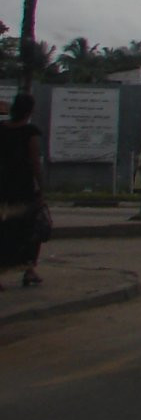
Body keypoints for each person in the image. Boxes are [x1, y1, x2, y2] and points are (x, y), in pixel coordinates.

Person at [0, 93, 47, 288]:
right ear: (29, 111)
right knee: (29, 229)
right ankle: (28, 270)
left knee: (3, 229)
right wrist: (42, 187)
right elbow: (35, 162)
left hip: (2, 188)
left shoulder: (1, 129)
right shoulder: (30, 132)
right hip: (23, 189)